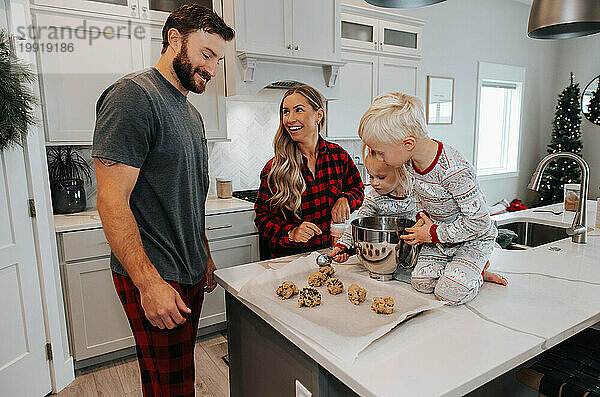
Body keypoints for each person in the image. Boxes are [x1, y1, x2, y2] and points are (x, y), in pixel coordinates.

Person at [92, 5, 234, 396]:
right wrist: (148, 283)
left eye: (218, 60)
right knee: (170, 388)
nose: (212, 69)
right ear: (175, 40)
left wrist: (201, 250)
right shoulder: (133, 97)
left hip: (186, 267)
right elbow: (111, 201)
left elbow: (188, 193)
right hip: (156, 273)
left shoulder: (190, 114)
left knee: (177, 377)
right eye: (207, 55)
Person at [358, 92, 505, 305]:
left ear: (407, 143)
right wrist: (422, 217)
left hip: (472, 239)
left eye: (380, 152)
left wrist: (432, 233)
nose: (379, 159)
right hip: (439, 238)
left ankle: (476, 271)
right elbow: (420, 195)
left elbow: (480, 222)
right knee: (422, 283)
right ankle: (463, 269)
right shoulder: (409, 163)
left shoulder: (453, 171)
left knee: (450, 294)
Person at [331, 145, 508, 286]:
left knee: (417, 275)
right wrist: (343, 245)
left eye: (381, 177)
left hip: (420, 249)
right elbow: (358, 222)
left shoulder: (415, 194)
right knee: (410, 279)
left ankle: (476, 272)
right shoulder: (374, 198)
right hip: (395, 253)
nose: (374, 183)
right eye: (371, 177)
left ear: (401, 173)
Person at [254, 84, 365, 258]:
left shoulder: (338, 156)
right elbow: (262, 217)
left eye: (298, 110)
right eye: (285, 111)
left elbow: (358, 189)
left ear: (318, 115)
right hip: (290, 260)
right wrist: (291, 233)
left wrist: (346, 199)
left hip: (330, 254)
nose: (290, 119)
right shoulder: (274, 169)